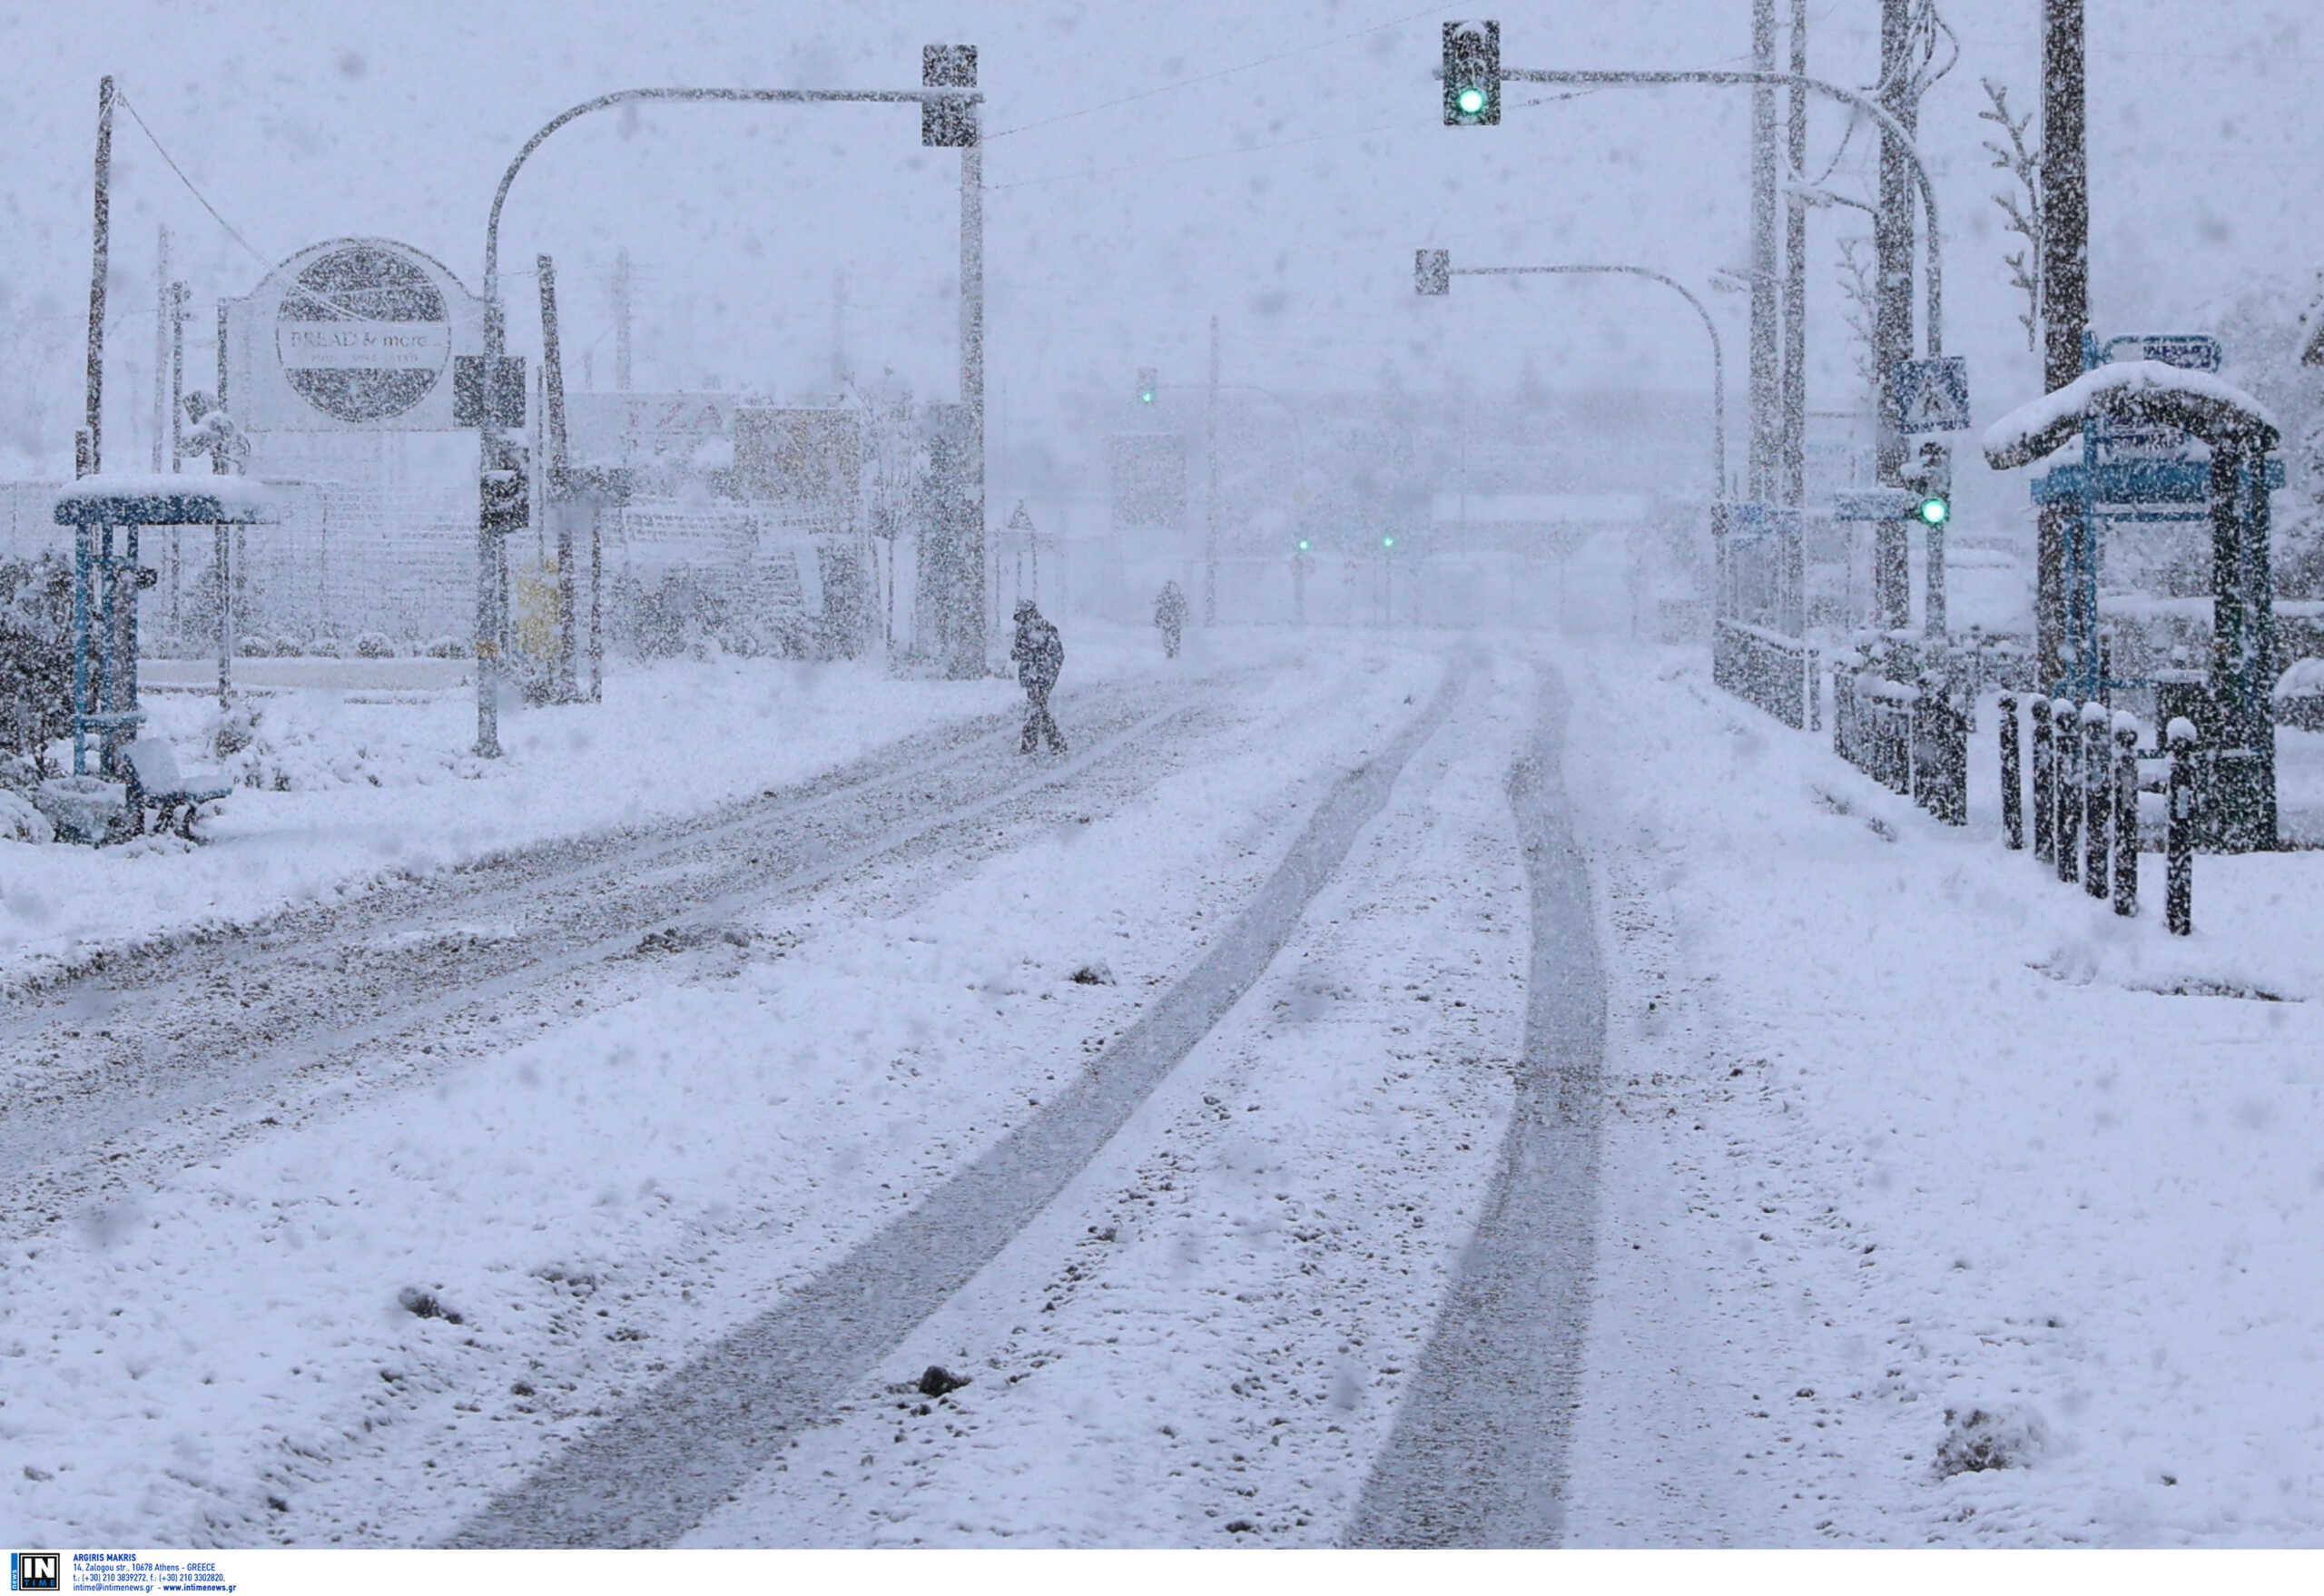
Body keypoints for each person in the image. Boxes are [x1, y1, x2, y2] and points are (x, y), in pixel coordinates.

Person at [1010, 599, 1067, 754]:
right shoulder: (1033, 629)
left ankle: (1034, 743)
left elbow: (1051, 654)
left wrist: (1041, 668)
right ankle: (1052, 742)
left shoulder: (1040, 629)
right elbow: (1020, 653)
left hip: (1039, 676)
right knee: (1038, 708)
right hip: (1036, 675)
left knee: (1036, 708)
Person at [1153, 579, 1187, 658]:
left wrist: (1157, 620)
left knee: (1170, 638)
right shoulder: (1176, 597)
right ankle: (1173, 651)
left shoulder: (1167, 598)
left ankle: (1172, 652)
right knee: (1173, 638)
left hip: (1170, 622)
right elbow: (1182, 606)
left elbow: (1160, 607)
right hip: (1172, 622)